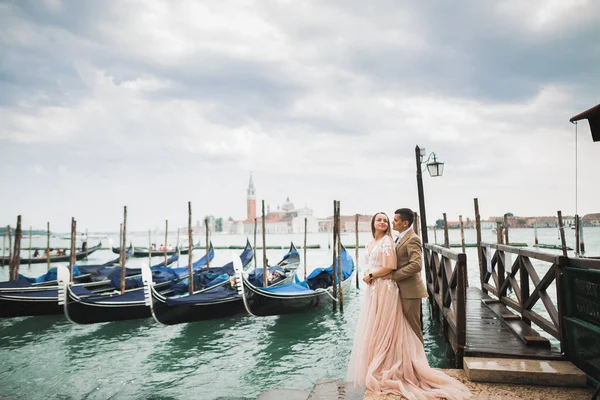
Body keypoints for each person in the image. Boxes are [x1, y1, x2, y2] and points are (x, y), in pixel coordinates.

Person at [346, 212, 471, 399]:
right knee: (385, 328)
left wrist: (378, 276)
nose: (387, 222)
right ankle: (402, 362)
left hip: (401, 289)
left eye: (389, 220)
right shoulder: (391, 239)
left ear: (403, 223)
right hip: (379, 289)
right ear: (373, 222)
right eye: (380, 219)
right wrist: (371, 275)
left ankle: (417, 366)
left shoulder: (406, 239)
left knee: (411, 329)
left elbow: (413, 265)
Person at [388, 208, 428, 344]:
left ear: (405, 223)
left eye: (395, 220)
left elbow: (416, 265)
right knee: (404, 328)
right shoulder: (399, 238)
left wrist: (393, 276)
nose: (392, 222)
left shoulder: (413, 239)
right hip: (401, 290)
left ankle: (420, 362)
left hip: (411, 292)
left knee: (413, 329)